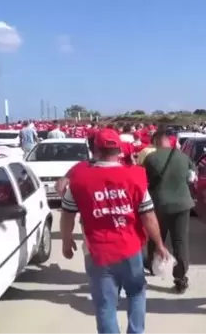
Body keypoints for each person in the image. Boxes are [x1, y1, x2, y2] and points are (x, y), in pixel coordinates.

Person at [60, 128, 169, 334]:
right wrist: (160, 244)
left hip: (98, 253)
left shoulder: (80, 181)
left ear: (95, 151)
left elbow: (67, 214)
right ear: (118, 150)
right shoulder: (135, 177)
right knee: (136, 294)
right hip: (130, 250)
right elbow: (148, 215)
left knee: (105, 306)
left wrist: (66, 240)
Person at [143, 125, 197, 292]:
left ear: (156, 142)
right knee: (180, 241)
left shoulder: (150, 159)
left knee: (156, 238)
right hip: (182, 204)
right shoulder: (183, 156)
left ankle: (153, 266)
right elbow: (192, 177)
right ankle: (180, 278)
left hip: (159, 205)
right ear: (168, 140)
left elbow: (143, 181)